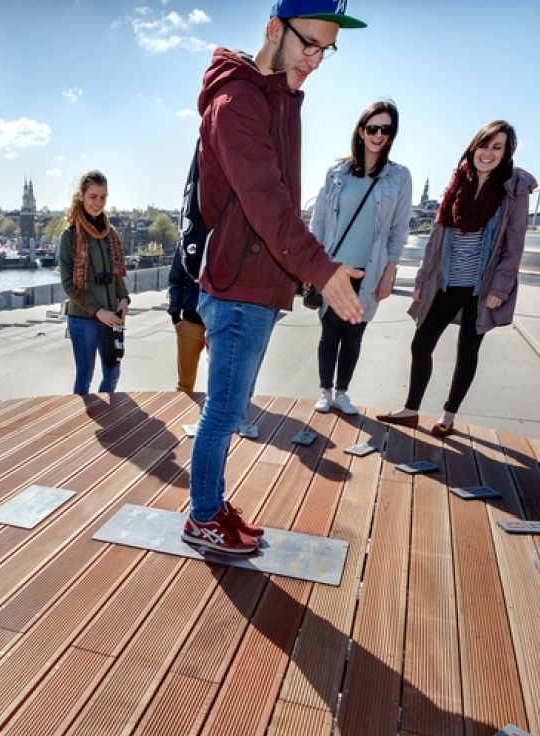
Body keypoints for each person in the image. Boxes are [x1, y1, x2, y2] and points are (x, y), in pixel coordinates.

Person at [183, 0, 367, 556]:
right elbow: (265, 200)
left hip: (258, 281)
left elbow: (282, 196)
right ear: (273, 29)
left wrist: (305, 270)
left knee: (230, 407)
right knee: (224, 411)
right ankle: (203, 516)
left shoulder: (278, 93)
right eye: (308, 43)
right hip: (238, 285)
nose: (316, 59)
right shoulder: (237, 100)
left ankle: (210, 503)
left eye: (326, 49)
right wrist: (320, 269)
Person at [376, 120, 536, 436]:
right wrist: (422, 282)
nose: (488, 153)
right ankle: (411, 409)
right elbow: (436, 239)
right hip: (447, 282)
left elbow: (514, 243)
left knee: (467, 351)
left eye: (497, 147)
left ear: (505, 153)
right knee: (421, 343)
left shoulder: (512, 189)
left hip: (482, 286)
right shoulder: (458, 185)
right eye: (484, 144)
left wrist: (501, 287)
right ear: (473, 147)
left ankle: (448, 416)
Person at [308, 99, 413, 415]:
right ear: (361, 129)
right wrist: (313, 266)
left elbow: (398, 228)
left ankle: (342, 393)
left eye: (386, 129)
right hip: (333, 268)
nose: (379, 135)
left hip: (370, 270)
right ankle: (325, 391)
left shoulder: (399, 177)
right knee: (329, 332)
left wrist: (389, 272)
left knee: (354, 334)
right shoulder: (337, 172)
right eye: (372, 128)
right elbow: (320, 221)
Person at [57, 170, 129, 395]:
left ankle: (105, 417)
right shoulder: (69, 236)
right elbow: (69, 285)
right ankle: (85, 422)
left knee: (113, 371)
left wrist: (124, 298)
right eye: (93, 197)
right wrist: (98, 311)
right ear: (81, 196)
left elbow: (116, 272)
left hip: (111, 315)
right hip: (83, 317)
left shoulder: (110, 233)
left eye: (103, 197)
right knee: (85, 376)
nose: (98, 203)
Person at [167, 255, 205, 393]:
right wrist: (175, 316)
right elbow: (175, 279)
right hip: (190, 322)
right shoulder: (187, 237)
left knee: (222, 384)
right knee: (184, 385)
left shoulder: (227, 236)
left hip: (221, 324)